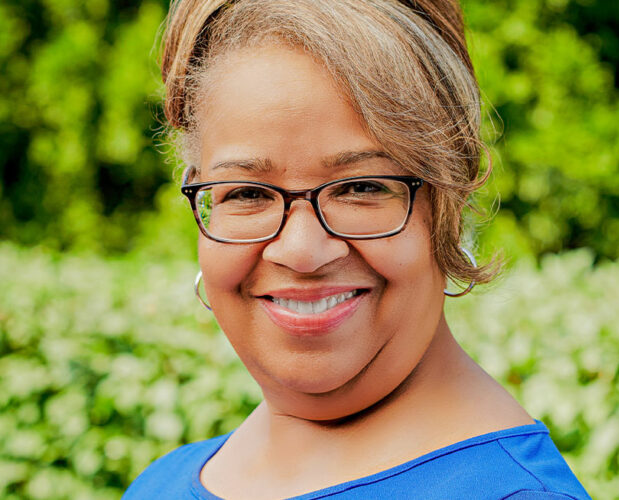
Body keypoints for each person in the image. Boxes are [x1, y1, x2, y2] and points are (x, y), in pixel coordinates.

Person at [123, 0, 591, 498]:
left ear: (451, 200)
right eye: (247, 193)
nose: (301, 252)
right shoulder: (161, 483)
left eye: (362, 187)